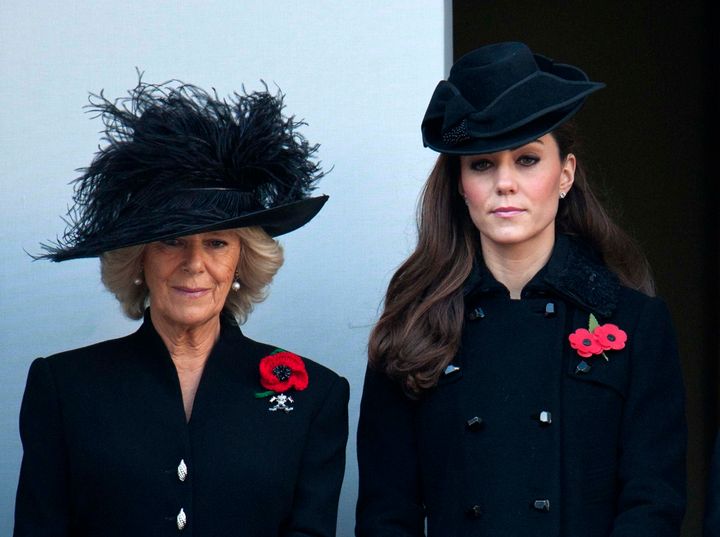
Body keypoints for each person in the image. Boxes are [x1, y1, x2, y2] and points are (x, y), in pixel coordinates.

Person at [356, 42, 686, 537]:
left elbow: (653, 503)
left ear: (565, 174)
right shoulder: (410, 329)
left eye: (527, 159)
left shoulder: (636, 323)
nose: (504, 184)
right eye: (482, 164)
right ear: (459, 183)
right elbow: (386, 516)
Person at [14, 79, 349, 536]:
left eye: (216, 243)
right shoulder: (64, 388)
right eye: (171, 241)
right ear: (139, 261)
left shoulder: (315, 395)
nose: (195, 265)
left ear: (240, 263)